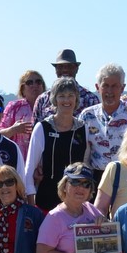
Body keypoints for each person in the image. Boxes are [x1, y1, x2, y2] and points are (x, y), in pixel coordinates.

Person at [24, 77, 89, 212]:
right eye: (62, 96)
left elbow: (86, 168)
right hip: (45, 202)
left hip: (76, 204)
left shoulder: (83, 129)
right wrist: (32, 207)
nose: (66, 100)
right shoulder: (42, 128)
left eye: (71, 96)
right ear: (55, 99)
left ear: (76, 99)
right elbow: (29, 171)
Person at [79, 64, 127, 171]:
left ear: (122, 88)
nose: (109, 91)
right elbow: (82, 152)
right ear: (97, 88)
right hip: (97, 177)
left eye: (114, 86)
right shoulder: (87, 116)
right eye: (105, 85)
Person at [32, 49, 99, 121]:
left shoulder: (91, 99)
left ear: (76, 69)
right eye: (60, 66)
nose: (65, 70)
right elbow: (35, 129)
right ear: (55, 70)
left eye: (69, 66)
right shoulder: (42, 100)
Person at [1, 70, 46, 153]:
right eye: (29, 83)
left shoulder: (51, 108)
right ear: (23, 89)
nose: (34, 85)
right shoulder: (13, 107)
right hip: (18, 161)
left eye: (38, 82)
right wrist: (13, 129)